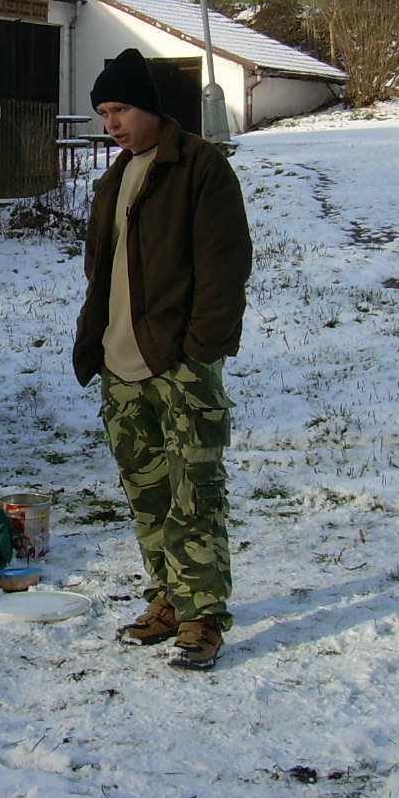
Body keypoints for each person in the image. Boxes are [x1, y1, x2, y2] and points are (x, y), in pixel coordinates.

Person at [72, 48, 252, 670]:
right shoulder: (115, 177)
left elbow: (225, 268)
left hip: (180, 365)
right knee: (146, 489)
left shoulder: (200, 166)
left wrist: (199, 350)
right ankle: (168, 598)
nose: (111, 124)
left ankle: (203, 616)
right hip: (119, 363)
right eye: (103, 112)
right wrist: (98, 345)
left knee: (194, 490)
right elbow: (102, 271)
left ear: (149, 106)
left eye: (120, 109)